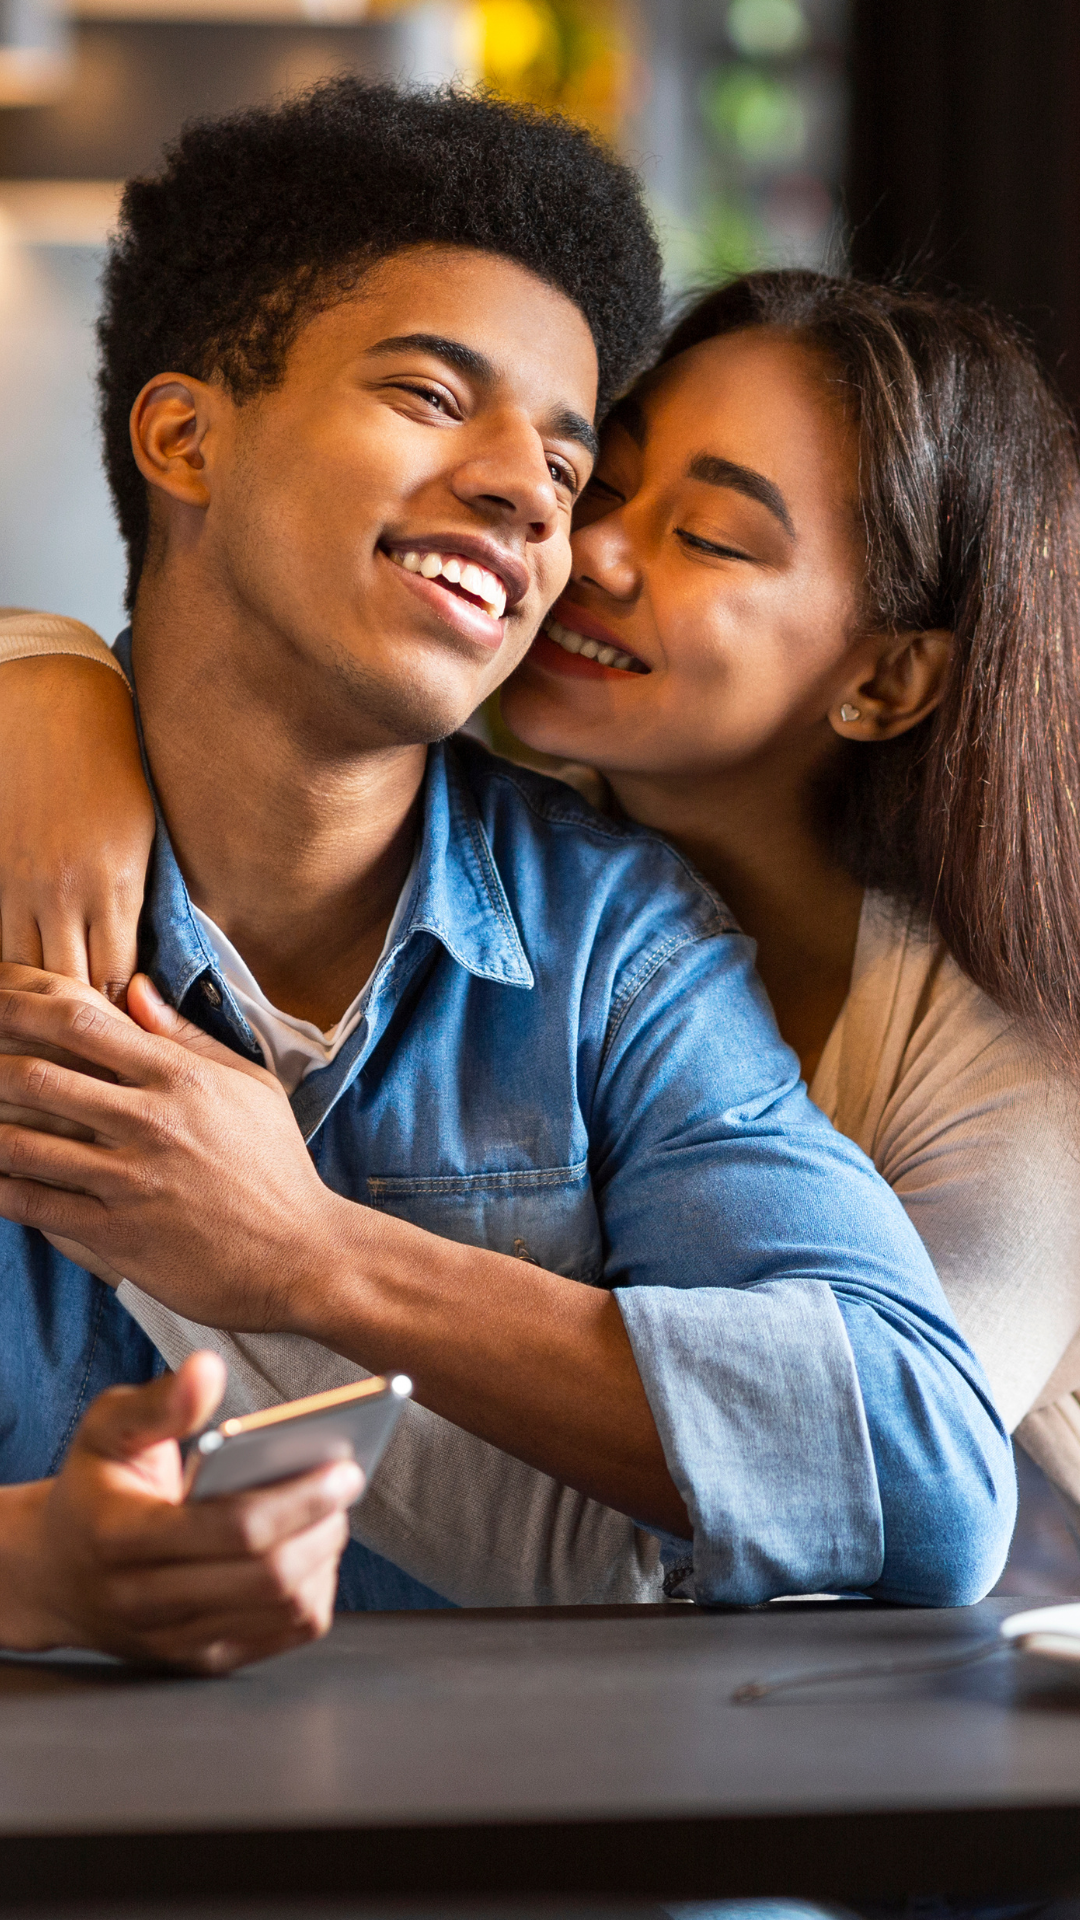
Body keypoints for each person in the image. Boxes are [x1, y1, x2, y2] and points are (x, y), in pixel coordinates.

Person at [0, 82, 1014, 1652]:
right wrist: (32, 1571)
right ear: (186, 437)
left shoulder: (615, 939)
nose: (532, 499)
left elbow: (921, 1470)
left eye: (562, 457)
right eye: (427, 395)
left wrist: (308, 1253)